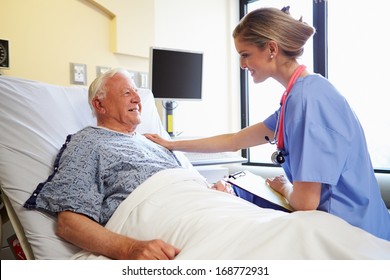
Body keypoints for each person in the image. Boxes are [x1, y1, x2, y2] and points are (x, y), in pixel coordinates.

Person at [145, 7, 390, 241]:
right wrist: (172, 144)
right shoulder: (299, 96)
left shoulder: (308, 99)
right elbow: (235, 141)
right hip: (356, 223)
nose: (242, 65)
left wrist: (284, 186)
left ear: (271, 49)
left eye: (245, 54)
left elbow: (306, 203)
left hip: (354, 234)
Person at [24, 68, 188, 260]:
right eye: (127, 93)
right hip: (168, 222)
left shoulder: (154, 142)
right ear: (100, 105)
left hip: (202, 206)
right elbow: (69, 223)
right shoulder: (89, 143)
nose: (137, 99)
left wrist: (210, 188)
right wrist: (128, 249)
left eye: (136, 92)